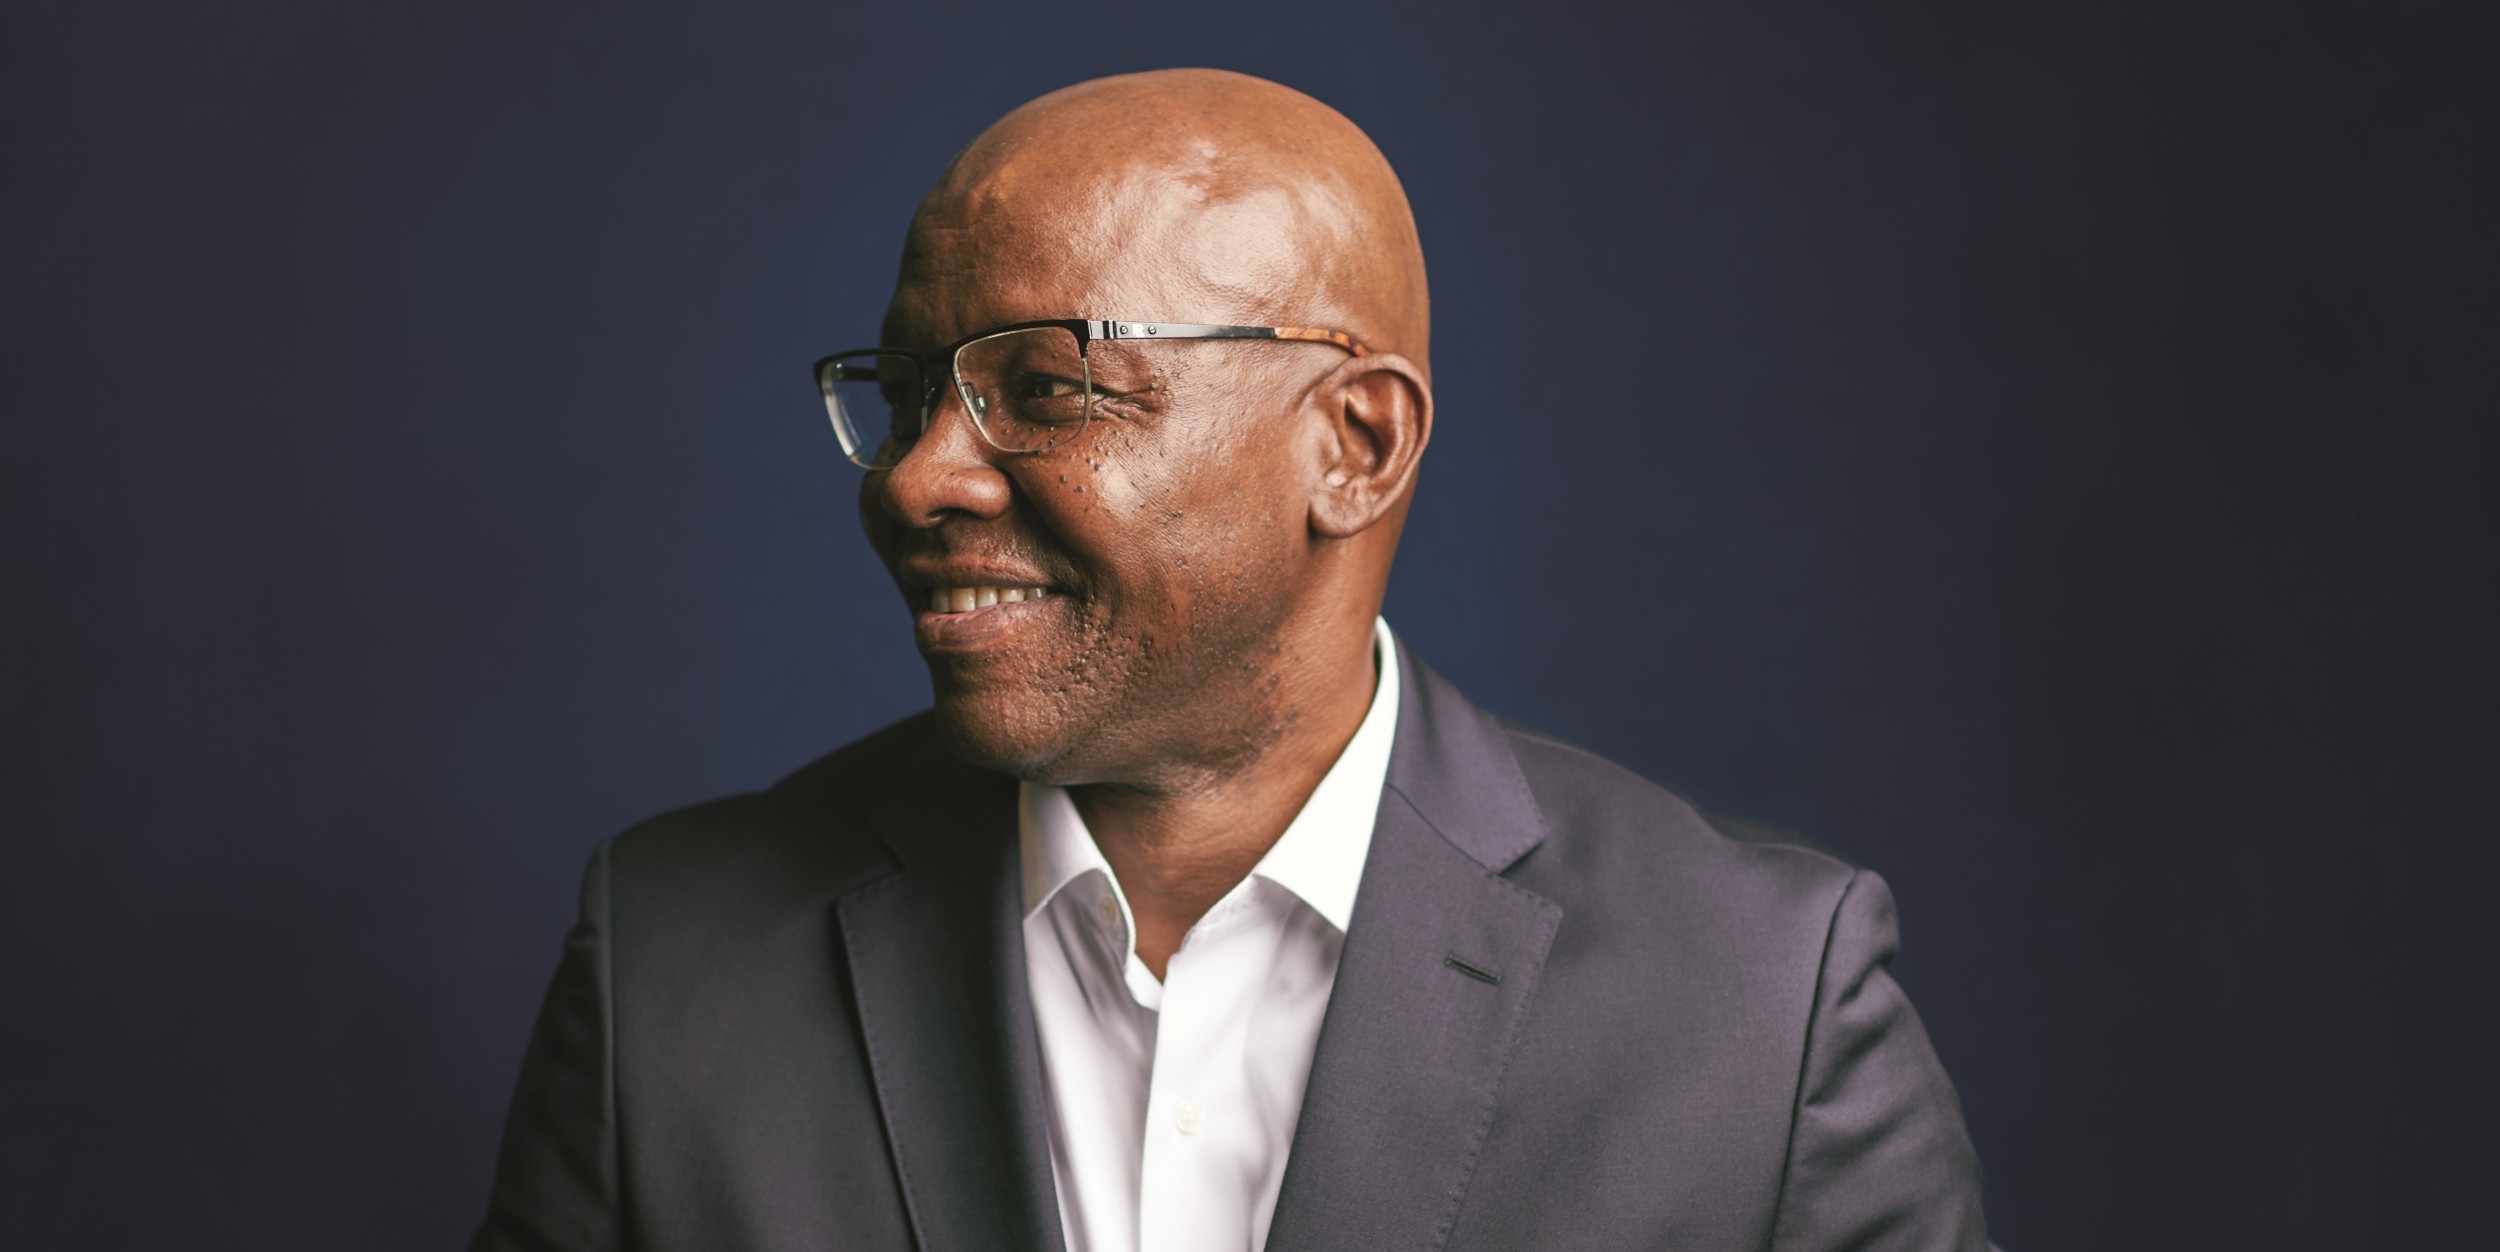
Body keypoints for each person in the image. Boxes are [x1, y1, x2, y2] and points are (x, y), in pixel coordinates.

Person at [472, 68, 1991, 1252]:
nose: (919, 478)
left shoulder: (1758, 1008)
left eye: (1048, 387)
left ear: (1356, 445)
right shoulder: (670, 969)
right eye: (915, 389)